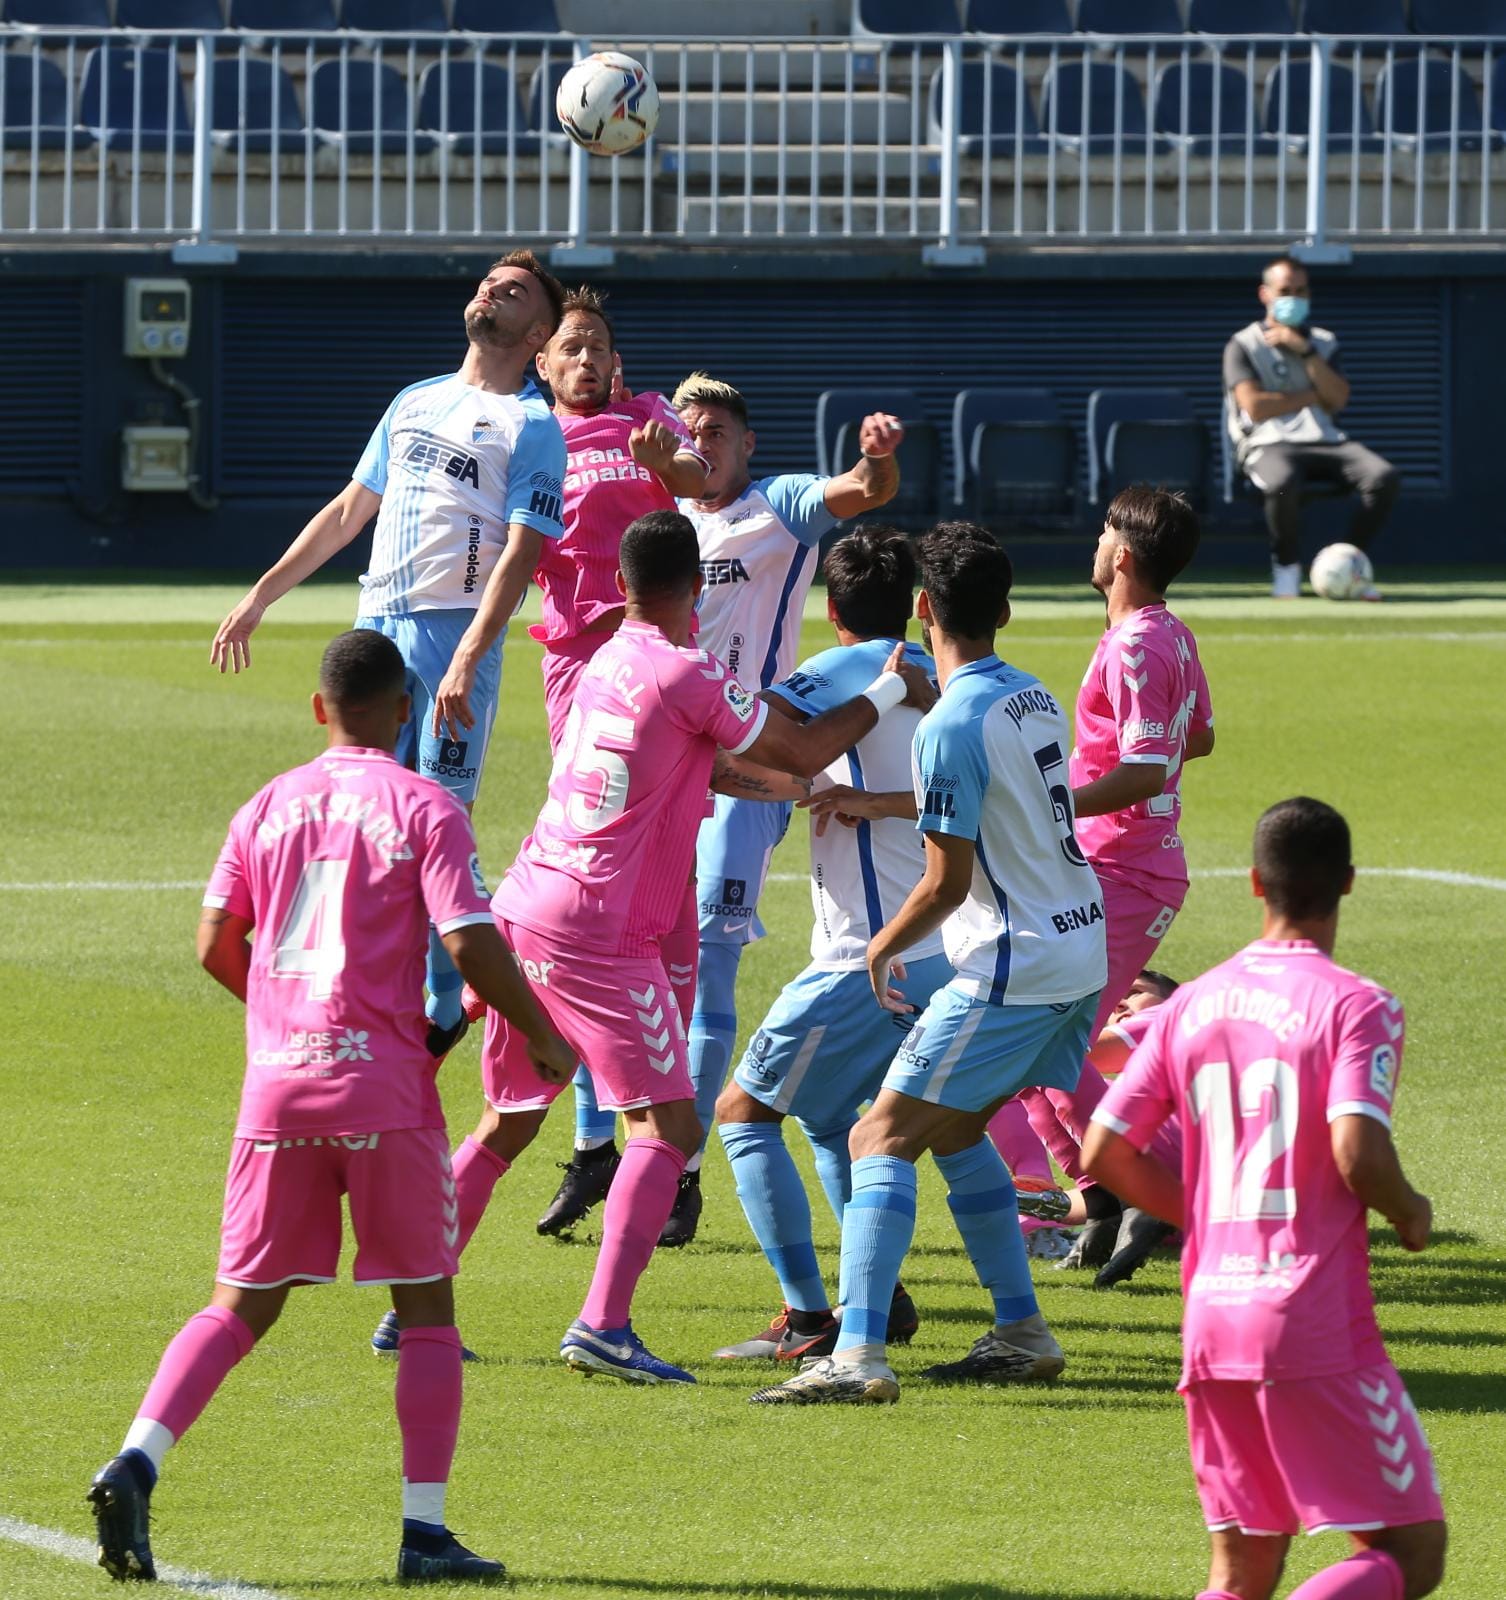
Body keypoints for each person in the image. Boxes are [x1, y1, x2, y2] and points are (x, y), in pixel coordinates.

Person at [87, 630, 576, 1586]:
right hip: (385, 1092)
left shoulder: (263, 806)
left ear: (319, 708)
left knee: (238, 1306)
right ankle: (424, 1533)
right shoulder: (424, 803)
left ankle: (136, 1459)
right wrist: (545, 1034)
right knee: (428, 1311)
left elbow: (213, 941)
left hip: (279, 1085)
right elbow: (472, 946)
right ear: (405, 711)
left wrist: (279, 1018)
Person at [407, 511, 932, 1386]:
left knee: (508, 1121)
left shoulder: (606, 658)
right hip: (598, 932)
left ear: (622, 587)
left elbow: (698, 764)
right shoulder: (690, 672)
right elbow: (793, 736)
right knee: (670, 1125)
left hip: (529, 903)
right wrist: (888, 691)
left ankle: (412, 1311)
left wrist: (795, 785)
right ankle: (604, 1325)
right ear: (699, 587)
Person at [752, 522, 1107, 1406]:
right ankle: (1021, 1332)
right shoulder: (1029, 695)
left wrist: (880, 945)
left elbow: (944, 884)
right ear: (1006, 609)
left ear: (924, 610)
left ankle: (858, 1355)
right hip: (1079, 949)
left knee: (878, 1134)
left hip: (1008, 967)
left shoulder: (947, 722)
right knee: (955, 1132)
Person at [1083, 797, 1446, 1600]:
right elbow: (1357, 1149)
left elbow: (1103, 1151)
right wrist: (1409, 1210)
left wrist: (1205, 1219)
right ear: (1348, 883)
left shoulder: (1194, 1002)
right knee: (1410, 1551)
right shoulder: (1357, 1004)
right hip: (1312, 1319)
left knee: (1242, 1572)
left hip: (1212, 1317)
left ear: (1255, 883)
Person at [209, 251, 569, 1054]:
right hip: (377, 627)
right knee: (372, 819)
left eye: (512, 292)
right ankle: (401, 993)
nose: (490, 292)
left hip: (451, 633)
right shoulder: (414, 401)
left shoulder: (533, 426)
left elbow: (521, 553)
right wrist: (261, 595)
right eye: (488, 282)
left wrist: (473, 653)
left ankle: (446, 1004)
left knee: (439, 820)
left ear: (537, 331)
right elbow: (348, 509)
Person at [659, 372, 906, 1247]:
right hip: (660, 759)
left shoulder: (779, 506)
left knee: (709, 961)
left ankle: (678, 1172)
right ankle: (598, 1147)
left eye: (720, 428)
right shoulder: (662, 519)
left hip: (745, 765)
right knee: (634, 952)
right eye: (691, 430)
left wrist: (875, 462)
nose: (704, 441)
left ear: (748, 442)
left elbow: (861, 493)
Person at [711, 528, 949, 1363]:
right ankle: (876, 1300)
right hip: (936, 939)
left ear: (833, 608)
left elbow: (745, 744)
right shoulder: (943, 670)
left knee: (743, 1117)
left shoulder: (853, 671)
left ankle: (814, 1320)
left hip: (864, 957)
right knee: (830, 1116)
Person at [527, 285, 712, 1239]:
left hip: (659, 654)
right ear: (544, 366)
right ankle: (605, 1143)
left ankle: (661, 1154)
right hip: (575, 659)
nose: (588, 359)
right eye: (571, 347)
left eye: (599, 344)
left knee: (659, 883)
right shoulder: (529, 434)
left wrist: (666, 466)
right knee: (597, 875)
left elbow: (698, 480)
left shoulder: (645, 420)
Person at [1011, 484, 1213, 1272]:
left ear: (1122, 554)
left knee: (1052, 1042)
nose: (1094, 542)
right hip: (1120, 864)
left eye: (1102, 531)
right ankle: (1103, 1192)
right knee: (1039, 1040)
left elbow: (1143, 766)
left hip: (1119, 868)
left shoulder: (1135, 646)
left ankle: (1160, 1200)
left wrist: (1054, 802)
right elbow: (1197, 738)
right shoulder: (1169, 636)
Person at [1224, 255, 1398, 599]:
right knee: (1283, 483)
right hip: (1268, 442)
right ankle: (1286, 568)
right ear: (1265, 294)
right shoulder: (1242, 345)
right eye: (1285, 290)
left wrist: (1304, 352)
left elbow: (1338, 399)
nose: (1293, 297)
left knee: (1383, 476)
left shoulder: (1323, 342)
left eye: (1301, 291)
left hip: (1325, 439)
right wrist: (1310, 394)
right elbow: (1256, 407)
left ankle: (1347, 563)